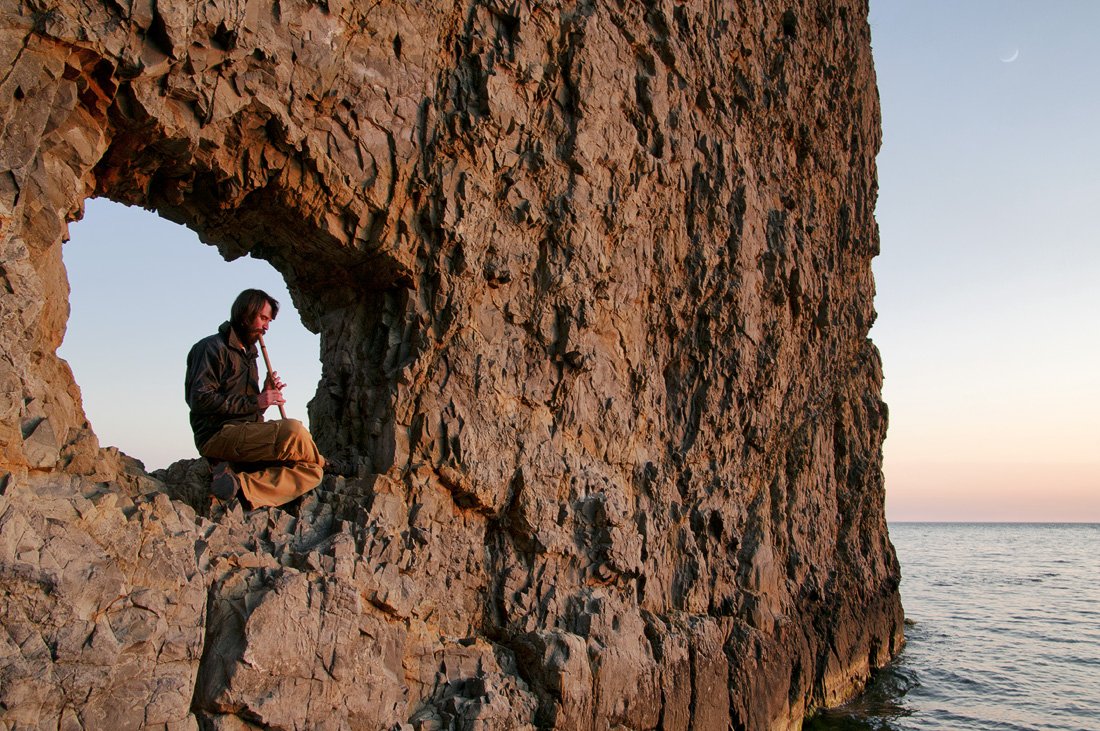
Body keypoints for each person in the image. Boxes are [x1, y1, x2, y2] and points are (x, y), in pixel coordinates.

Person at [184, 289, 326, 507]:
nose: (266, 327)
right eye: (263, 318)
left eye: (269, 321)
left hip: (244, 434)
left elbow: (250, 411)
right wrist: (256, 401)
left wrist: (263, 396)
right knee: (293, 430)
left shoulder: (250, 355)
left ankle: (240, 485)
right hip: (217, 435)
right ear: (245, 313)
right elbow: (199, 399)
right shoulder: (211, 348)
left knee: (311, 471)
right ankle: (327, 462)